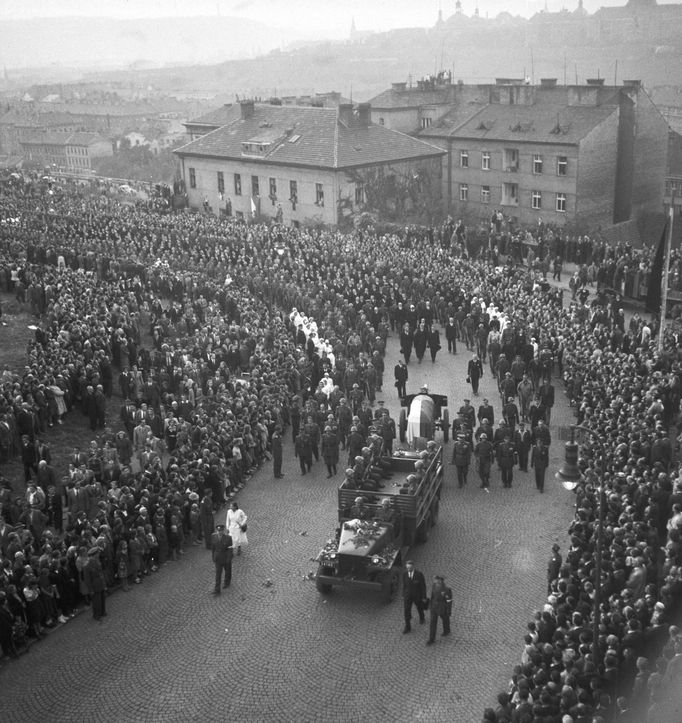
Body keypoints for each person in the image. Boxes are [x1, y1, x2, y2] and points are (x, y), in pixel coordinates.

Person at [402, 560, 427, 633]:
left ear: (413, 567)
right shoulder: (404, 574)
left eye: (410, 568)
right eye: (407, 568)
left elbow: (423, 586)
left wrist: (424, 597)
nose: (408, 570)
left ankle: (422, 617)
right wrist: (403, 594)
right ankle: (407, 626)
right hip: (408, 596)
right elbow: (404, 585)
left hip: (417, 595)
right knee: (406, 611)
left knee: (419, 608)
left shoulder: (419, 574)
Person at [426, 575, 452, 645]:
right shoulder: (434, 586)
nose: (435, 581)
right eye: (435, 580)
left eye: (437, 580)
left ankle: (447, 630)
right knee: (432, 623)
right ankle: (431, 638)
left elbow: (449, 600)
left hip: (442, 607)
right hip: (434, 607)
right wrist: (430, 605)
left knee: (445, 618)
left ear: (440, 581)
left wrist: (449, 610)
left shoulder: (446, 589)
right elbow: (432, 596)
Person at [84, 547, 107, 621]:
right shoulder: (87, 565)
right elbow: (87, 580)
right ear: (94, 555)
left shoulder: (97, 561)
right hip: (94, 585)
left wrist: (104, 584)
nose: (99, 554)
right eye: (98, 553)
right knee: (96, 601)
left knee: (102, 598)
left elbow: (101, 573)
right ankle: (96, 615)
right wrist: (90, 590)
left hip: (100, 582)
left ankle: (103, 611)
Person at [211, 523, 233, 594]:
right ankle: (217, 589)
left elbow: (230, 549)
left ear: (223, 531)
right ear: (216, 531)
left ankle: (227, 582)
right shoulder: (214, 537)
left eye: (221, 531)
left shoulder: (228, 538)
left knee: (228, 571)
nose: (219, 532)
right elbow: (213, 548)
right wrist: (213, 557)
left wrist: (229, 559)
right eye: (218, 531)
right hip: (218, 558)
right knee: (218, 574)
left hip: (225, 557)